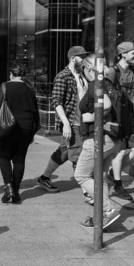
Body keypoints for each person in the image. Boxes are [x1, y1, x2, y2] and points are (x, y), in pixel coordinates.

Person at [75, 54, 121, 229]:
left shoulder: (96, 84)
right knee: (99, 178)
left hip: (97, 139)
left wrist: (91, 117)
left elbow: (107, 105)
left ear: (88, 68)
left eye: (83, 70)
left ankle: (108, 211)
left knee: (81, 175)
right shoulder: (108, 83)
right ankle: (102, 216)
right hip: (110, 139)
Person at [37, 46, 90, 196]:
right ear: (73, 58)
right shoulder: (63, 76)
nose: (84, 60)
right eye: (82, 57)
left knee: (65, 150)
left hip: (83, 122)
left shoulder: (82, 75)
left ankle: (44, 178)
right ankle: (88, 191)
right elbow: (56, 101)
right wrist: (66, 123)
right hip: (72, 122)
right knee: (77, 155)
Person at [106, 42, 134, 201]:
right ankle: (118, 184)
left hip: (133, 117)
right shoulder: (113, 72)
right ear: (123, 54)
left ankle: (112, 173)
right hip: (118, 118)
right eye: (133, 53)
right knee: (120, 151)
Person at [0, 63, 40, 204]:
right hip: (26, 128)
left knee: (4, 157)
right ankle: (16, 191)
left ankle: (9, 188)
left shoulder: (4, 87)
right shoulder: (29, 88)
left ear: (11, 74)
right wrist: (33, 131)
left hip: (7, 126)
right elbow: (35, 111)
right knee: (19, 160)